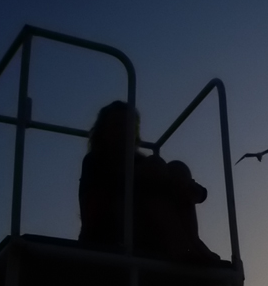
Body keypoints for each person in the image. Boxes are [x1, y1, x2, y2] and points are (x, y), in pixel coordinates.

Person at [78, 101, 219, 262]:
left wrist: (194, 189)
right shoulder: (95, 160)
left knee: (177, 167)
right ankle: (181, 246)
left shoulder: (139, 161)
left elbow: (175, 186)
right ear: (103, 132)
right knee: (154, 182)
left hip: (148, 229)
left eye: (129, 127)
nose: (123, 131)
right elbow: (95, 209)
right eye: (117, 125)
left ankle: (193, 242)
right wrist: (143, 176)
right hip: (108, 231)